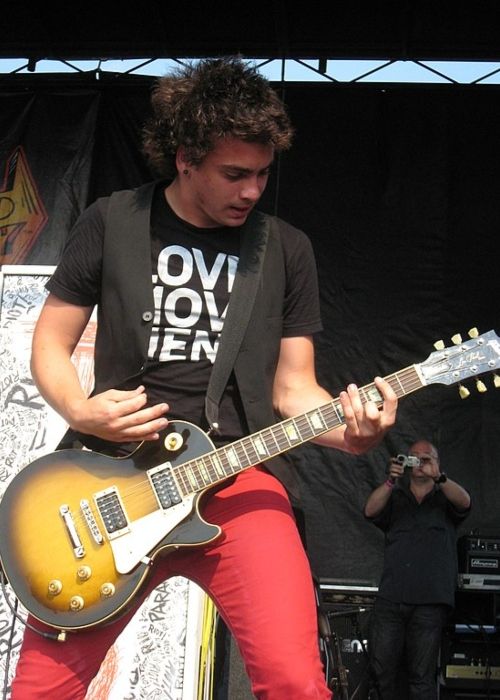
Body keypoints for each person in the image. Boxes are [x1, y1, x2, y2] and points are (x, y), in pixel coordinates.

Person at [11, 57, 398, 700]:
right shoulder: (111, 220)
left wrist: (353, 433)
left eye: (263, 174)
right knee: (40, 690)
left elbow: (292, 389)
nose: (252, 190)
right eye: (235, 174)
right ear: (185, 157)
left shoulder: (285, 249)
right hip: (111, 485)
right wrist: (81, 412)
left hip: (235, 481)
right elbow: (50, 344)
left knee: (297, 683)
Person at [364, 440, 471, 700]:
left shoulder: (444, 498)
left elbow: (465, 502)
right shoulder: (396, 496)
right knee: (381, 674)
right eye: (413, 457)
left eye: (426, 458)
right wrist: (390, 481)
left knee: (421, 677)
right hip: (392, 598)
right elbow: (370, 510)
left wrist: (439, 477)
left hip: (430, 601)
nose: (419, 463)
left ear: (437, 462)